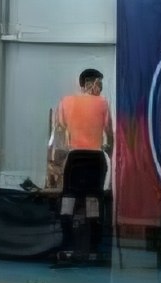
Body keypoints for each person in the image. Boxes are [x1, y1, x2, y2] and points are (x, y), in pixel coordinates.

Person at [48, 67, 113, 268]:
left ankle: (66, 245)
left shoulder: (65, 102)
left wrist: (56, 164)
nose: (100, 88)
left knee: (68, 199)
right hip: (95, 158)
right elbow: (109, 133)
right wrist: (109, 149)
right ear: (90, 84)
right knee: (93, 200)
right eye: (99, 84)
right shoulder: (103, 103)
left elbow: (58, 132)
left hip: (75, 157)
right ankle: (93, 250)